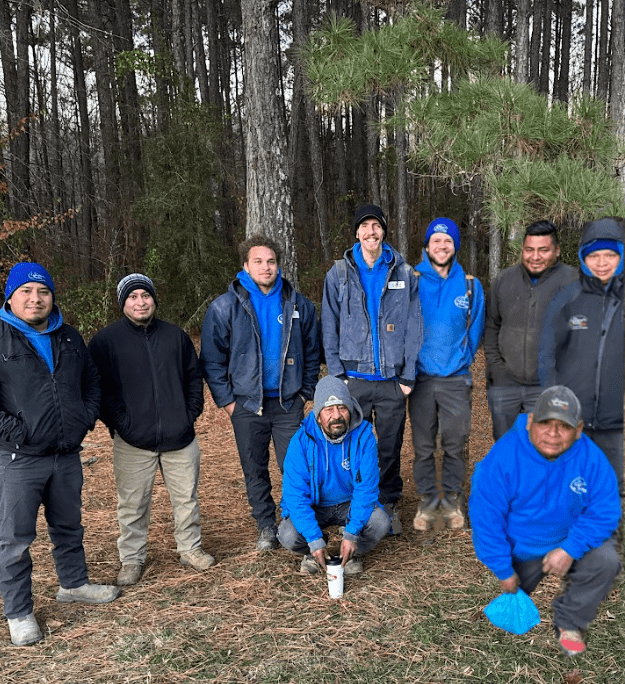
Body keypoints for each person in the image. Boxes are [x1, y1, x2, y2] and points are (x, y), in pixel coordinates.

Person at [0, 263, 120, 647]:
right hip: (19, 459)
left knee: (68, 526)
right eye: (27, 293)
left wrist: (84, 417)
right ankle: (19, 612)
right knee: (15, 539)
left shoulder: (68, 336)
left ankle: (74, 584)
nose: (36, 300)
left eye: (43, 293)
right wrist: (17, 431)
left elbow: (92, 381)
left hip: (66, 453)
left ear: (52, 296)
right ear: (11, 297)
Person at [469, 386, 621, 657]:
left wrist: (570, 549)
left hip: (567, 537)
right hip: (521, 546)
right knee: (511, 597)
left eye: (563, 426)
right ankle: (514, 584)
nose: (553, 433)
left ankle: (570, 622)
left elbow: (605, 510)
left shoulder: (591, 458)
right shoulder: (502, 459)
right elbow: (486, 521)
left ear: (579, 429)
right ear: (529, 422)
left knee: (606, 561)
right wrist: (503, 570)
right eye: (545, 423)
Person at [88, 274, 214, 586]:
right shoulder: (106, 342)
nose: (140, 302)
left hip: (180, 437)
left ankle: (190, 549)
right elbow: (100, 391)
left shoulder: (175, 337)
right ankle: (132, 559)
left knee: (186, 499)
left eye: (145, 296)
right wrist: (122, 424)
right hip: (132, 441)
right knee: (132, 504)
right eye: (132, 297)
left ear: (154, 299)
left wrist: (188, 416)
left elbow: (193, 378)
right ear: (123, 303)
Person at [201, 235, 320, 550]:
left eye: (271, 261)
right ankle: (266, 526)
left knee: (294, 466)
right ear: (245, 266)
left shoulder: (298, 304)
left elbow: (312, 352)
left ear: (278, 264)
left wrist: (305, 391)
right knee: (254, 467)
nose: (266, 267)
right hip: (247, 404)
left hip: (287, 403)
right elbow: (212, 360)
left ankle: (293, 520)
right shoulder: (226, 306)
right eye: (258, 261)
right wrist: (227, 402)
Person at [321, 204, 422, 534]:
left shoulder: (404, 273)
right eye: (364, 227)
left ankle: (389, 501)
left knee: (389, 448)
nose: (370, 232)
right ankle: (353, 504)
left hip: (392, 381)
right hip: (354, 382)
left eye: (376, 226)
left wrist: (407, 377)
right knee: (352, 446)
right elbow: (329, 325)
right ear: (356, 233)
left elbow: (414, 325)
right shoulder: (338, 274)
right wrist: (338, 377)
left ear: (383, 231)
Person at [539, 217, 624, 495]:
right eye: (594, 255)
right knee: (571, 483)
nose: (601, 262)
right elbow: (548, 353)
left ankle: (607, 535)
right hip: (574, 415)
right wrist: (554, 402)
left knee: (610, 485)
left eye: (609, 255)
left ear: (620, 256)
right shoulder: (568, 297)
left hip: (616, 421)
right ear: (583, 258)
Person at [410, 218, 485, 531]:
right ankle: (427, 501)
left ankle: (452, 498)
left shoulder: (469, 284)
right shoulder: (412, 280)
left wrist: (463, 359)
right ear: (427, 246)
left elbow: (477, 327)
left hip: (455, 379)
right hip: (421, 379)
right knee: (424, 446)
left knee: (455, 443)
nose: (442, 246)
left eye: (448, 241)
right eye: (436, 241)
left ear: (455, 246)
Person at [278, 375, 390, 575]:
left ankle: (351, 552)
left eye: (342, 408)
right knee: (288, 535)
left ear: (351, 409)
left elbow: (366, 489)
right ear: (318, 414)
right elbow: (295, 496)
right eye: (329, 409)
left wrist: (352, 534)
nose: (336, 415)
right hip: (317, 506)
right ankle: (314, 552)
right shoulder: (301, 440)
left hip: (349, 502)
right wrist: (313, 539)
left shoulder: (364, 436)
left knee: (380, 522)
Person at [484, 220, 577, 440]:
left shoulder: (573, 282)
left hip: (549, 387)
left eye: (543, 250)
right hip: (505, 386)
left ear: (556, 250)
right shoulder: (504, 281)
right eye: (529, 250)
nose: (535, 257)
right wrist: (498, 371)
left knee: (545, 448)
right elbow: (491, 328)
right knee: (507, 448)